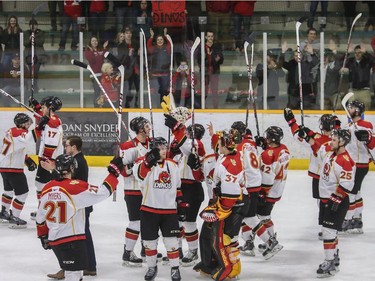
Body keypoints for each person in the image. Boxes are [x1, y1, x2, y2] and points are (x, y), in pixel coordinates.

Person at [36, 154, 123, 281]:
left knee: (76, 274)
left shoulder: (46, 188)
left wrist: (43, 235)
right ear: (72, 167)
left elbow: (40, 218)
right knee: (74, 275)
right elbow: (104, 191)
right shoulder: (76, 187)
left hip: (55, 241)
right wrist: (113, 173)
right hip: (71, 241)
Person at [42, 136, 97, 279]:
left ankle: (82, 266)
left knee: (81, 236)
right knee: (83, 235)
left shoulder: (78, 162)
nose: (65, 148)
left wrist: (53, 170)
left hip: (78, 205)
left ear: (73, 147)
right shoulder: (78, 160)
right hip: (78, 204)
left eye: (66, 146)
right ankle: (82, 266)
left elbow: (67, 183)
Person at [132, 137, 183, 281]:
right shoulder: (141, 164)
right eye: (160, 149)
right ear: (153, 150)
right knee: (149, 242)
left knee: (172, 242)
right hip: (149, 210)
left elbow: (177, 187)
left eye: (164, 148)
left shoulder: (173, 165)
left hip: (169, 211)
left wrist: (181, 202)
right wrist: (148, 162)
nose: (163, 151)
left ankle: (175, 268)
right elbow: (140, 175)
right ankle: (152, 267)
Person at [197, 129, 243, 281]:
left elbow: (230, 193)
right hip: (222, 203)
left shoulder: (225, 162)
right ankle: (208, 264)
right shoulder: (234, 155)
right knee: (206, 235)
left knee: (223, 239)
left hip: (228, 206)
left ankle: (231, 269)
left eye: (218, 142)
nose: (216, 145)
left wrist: (221, 209)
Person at [165, 117, 207, 266]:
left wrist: (176, 129)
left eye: (188, 132)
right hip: (180, 188)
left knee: (189, 223)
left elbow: (186, 145)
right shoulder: (184, 149)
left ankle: (194, 251)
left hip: (192, 189)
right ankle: (178, 250)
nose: (186, 133)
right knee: (176, 222)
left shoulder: (196, 145)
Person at [315, 129, 354, 278]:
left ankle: (329, 261)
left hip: (336, 201)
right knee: (329, 231)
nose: (330, 142)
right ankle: (334, 256)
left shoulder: (345, 160)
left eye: (334, 140)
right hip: (326, 200)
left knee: (328, 232)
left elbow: (347, 184)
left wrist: (336, 199)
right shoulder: (331, 154)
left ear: (342, 142)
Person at [119, 116, 152, 266]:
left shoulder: (152, 144)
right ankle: (128, 252)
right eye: (146, 126)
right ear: (139, 129)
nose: (149, 128)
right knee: (136, 222)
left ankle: (147, 248)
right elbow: (123, 170)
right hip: (133, 190)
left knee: (149, 222)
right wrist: (135, 166)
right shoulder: (128, 145)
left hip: (149, 189)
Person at [0, 113, 42, 228]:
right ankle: (15, 216)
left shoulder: (11, 131)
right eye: (26, 123)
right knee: (22, 193)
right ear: (21, 123)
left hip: (4, 167)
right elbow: (31, 137)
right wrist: (40, 127)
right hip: (13, 168)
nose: (28, 125)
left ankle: (3, 212)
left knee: (8, 191)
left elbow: (15, 149)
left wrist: (27, 160)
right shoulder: (19, 133)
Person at [254, 126, 289, 255]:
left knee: (263, 216)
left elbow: (268, 177)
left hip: (269, 190)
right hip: (278, 187)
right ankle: (271, 238)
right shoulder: (284, 149)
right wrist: (265, 146)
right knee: (265, 215)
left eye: (267, 136)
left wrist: (263, 192)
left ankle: (271, 241)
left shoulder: (267, 155)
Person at [341, 100, 375, 233]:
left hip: (360, 165)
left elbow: (372, 144)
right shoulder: (349, 125)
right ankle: (357, 219)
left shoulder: (366, 125)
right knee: (357, 192)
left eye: (352, 107)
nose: (349, 109)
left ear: (358, 110)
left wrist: (367, 138)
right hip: (352, 164)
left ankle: (349, 221)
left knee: (351, 193)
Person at [29, 96, 64, 220]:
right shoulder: (52, 119)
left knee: (41, 185)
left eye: (44, 107)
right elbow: (42, 117)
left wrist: (46, 161)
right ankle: (44, 209)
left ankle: (44, 211)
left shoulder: (52, 124)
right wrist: (37, 106)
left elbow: (50, 145)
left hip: (48, 161)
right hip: (50, 160)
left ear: (50, 108)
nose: (42, 109)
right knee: (43, 185)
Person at [340, 45, 375, 110]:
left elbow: (373, 60)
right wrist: (347, 53)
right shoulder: (350, 61)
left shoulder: (367, 61)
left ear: (362, 53)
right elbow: (340, 62)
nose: (357, 54)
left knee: (366, 110)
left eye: (359, 53)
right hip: (353, 90)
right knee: (351, 109)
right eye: (355, 53)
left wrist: (366, 52)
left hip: (365, 90)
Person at [198, 31, 224, 109]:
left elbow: (221, 59)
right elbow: (199, 60)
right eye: (208, 36)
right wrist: (212, 58)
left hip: (215, 72)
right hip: (204, 72)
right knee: (204, 91)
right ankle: (202, 107)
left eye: (211, 36)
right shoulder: (202, 47)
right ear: (205, 37)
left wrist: (211, 58)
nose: (210, 38)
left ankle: (215, 107)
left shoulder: (217, 47)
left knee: (214, 91)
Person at [117, 27, 140, 108]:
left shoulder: (136, 44)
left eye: (130, 33)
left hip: (136, 69)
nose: (129, 34)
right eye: (127, 33)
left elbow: (140, 57)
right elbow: (120, 60)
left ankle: (137, 104)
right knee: (128, 89)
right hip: (127, 70)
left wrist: (139, 54)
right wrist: (128, 55)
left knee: (138, 88)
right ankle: (127, 104)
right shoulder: (121, 46)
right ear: (124, 34)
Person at [147, 27, 171, 104]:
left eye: (161, 39)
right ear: (156, 41)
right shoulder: (153, 48)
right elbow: (148, 45)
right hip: (155, 74)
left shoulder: (166, 48)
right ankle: (156, 105)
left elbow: (170, 44)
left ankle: (163, 105)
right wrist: (152, 36)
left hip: (165, 73)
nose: (159, 41)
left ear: (163, 40)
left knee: (164, 91)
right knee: (156, 91)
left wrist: (165, 35)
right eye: (158, 40)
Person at [24, 18, 46, 95]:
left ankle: (35, 86)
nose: (33, 26)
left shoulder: (41, 33)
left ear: (37, 25)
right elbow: (25, 43)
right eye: (31, 25)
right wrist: (30, 39)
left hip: (38, 56)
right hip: (29, 56)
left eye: (35, 25)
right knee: (30, 72)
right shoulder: (26, 33)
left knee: (35, 72)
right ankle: (30, 87)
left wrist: (34, 37)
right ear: (29, 26)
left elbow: (41, 42)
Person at [84, 36, 108, 107]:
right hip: (95, 75)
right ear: (90, 42)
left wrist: (104, 48)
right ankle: (96, 107)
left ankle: (103, 105)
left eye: (96, 40)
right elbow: (92, 60)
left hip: (103, 74)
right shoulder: (88, 51)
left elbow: (105, 56)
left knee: (104, 92)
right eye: (93, 41)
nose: (95, 42)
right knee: (97, 91)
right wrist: (91, 51)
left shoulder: (100, 50)